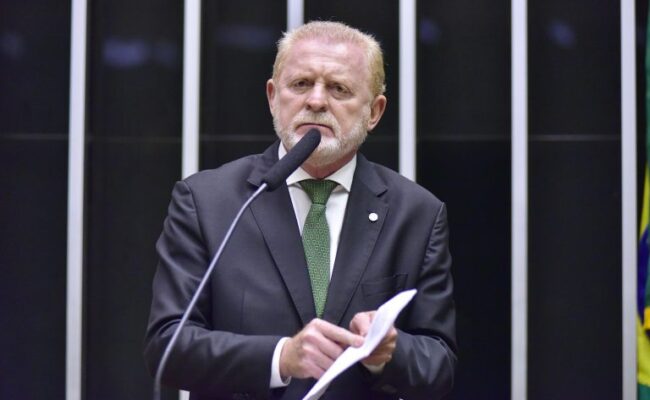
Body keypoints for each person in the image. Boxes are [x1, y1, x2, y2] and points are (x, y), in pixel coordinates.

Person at [144, 21, 457, 400]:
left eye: (339, 88)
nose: (316, 101)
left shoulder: (416, 213)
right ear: (273, 97)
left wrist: (389, 352)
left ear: (374, 112)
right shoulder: (208, 201)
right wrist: (281, 357)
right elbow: (168, 346)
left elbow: (439, 365)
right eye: (301, 84)